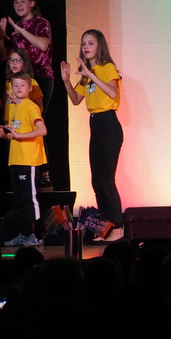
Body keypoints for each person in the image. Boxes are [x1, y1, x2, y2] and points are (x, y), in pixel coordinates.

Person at [61, 29, 127, 243]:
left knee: (106, 180)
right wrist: (66, 81)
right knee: (96, 181)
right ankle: (106, 229)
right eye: (83, 43)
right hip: (95, 124)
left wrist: (91, 76)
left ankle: (118, 228)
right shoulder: (87, 73)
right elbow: (76, 99)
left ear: (99, 46)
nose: (86, 47)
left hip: (108, 123)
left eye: (91, 43)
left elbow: (112, 92)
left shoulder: (106, 68)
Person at [0, 0, 54, 188]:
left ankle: (44, 171)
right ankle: (22, 167)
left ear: (31, 3)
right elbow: (6, 57)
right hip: (21, 78)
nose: (19, 5)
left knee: (36, 120)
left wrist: (20, 31)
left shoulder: (41, 23)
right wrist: (1, 37)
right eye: (15, 2)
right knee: (20, 122)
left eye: (23, 1)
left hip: (40, 77)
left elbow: (43, 45)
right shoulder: (16, 27)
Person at [0, 74, 47, 247]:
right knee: (19, 199)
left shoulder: (31, 106)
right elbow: (16, 135)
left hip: (28, 159)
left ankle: (35, 234)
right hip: (16, 159)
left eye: (22, 85)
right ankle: (24, 233)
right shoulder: (15, 108)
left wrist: (18, 136)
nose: (18, 88)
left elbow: (42, 130)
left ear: (30, 88)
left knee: (29, 198)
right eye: (15, 85)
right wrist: (4, 136)